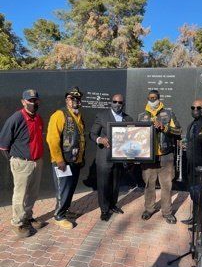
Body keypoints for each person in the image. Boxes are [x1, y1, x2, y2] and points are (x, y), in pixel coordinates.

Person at [0, 89, 44, 238]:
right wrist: (16, 161)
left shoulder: (38, 118)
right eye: (30, 100)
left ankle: (27, 217)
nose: (33, 103)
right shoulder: (16, 118)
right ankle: (17, 223)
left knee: (33, 193)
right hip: (22, 163)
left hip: (37, 162)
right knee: (20, 194)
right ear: (23, 101)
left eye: (35, 100)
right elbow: (3, 145)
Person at [138, 90, 181, 224]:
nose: (153, 100)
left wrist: (164, 127)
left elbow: (178, 131)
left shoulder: (168, 114)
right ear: (147, 99)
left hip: (166, 156)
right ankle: (149, 209)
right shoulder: (141, 116)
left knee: (166, 186)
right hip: (148, 157)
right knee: (149, 185)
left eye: (155, 98)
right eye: (150, 98)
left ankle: (167, 212)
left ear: (159, 99)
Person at [46, 86, 85, 229]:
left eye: (78, 98)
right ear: (67, 100)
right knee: (63, 189)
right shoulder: (59, 115)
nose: (75, 101)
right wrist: (59, 160)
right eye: (72, 98)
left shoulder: (78, 116)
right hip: (63, 162)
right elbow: (52, 139)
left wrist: (80, 159)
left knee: (70, 189)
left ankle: (65, 210)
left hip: (75, 161)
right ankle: (59, 216)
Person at [90, 94, 133, 221]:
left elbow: (131, 137)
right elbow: (92, 134)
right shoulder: (102, 116)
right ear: (111, 102)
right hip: (105, 157)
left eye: (120, 102)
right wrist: (100, 139)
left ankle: (113, 205)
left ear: (123, 104)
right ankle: (104, 210)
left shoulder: (128, 118)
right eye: (115, 101)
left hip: (120, 157)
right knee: (103, 185)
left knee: (115, 184)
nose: (117, 104)